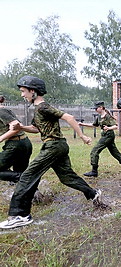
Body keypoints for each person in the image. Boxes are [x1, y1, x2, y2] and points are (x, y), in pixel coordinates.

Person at [0, 76, 104, 230]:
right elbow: (36, 129)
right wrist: (21, 127)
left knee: (27, 176)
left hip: (53, 146)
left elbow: (69, 117)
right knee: (66, 177)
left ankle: (19, 215)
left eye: (23, 91)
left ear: (33, 91)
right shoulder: (37, 109)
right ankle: (93, 193)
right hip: (58, 145)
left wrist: (82, 136)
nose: (22, 95)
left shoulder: (43, 107)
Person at [79, 101, 121, 177]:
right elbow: (94, 125)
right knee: (115, 153)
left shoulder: (107, 116)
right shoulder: (99, 117)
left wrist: (109, 128)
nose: (95, 110)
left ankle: (94, 171)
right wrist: (82, 124)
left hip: (108, 136)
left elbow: (116, 126)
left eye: (96, 108)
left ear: (101, 107)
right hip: (105, 136)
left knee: (95, 151)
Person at [0, 95, 33, 183]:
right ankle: (35, 193)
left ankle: (27, 178)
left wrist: (1, 138)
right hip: (23, 142)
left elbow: (17, 126)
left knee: (19, 176)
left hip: (16, 145)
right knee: (19, 175)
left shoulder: (1, 111)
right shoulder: (4, 110)